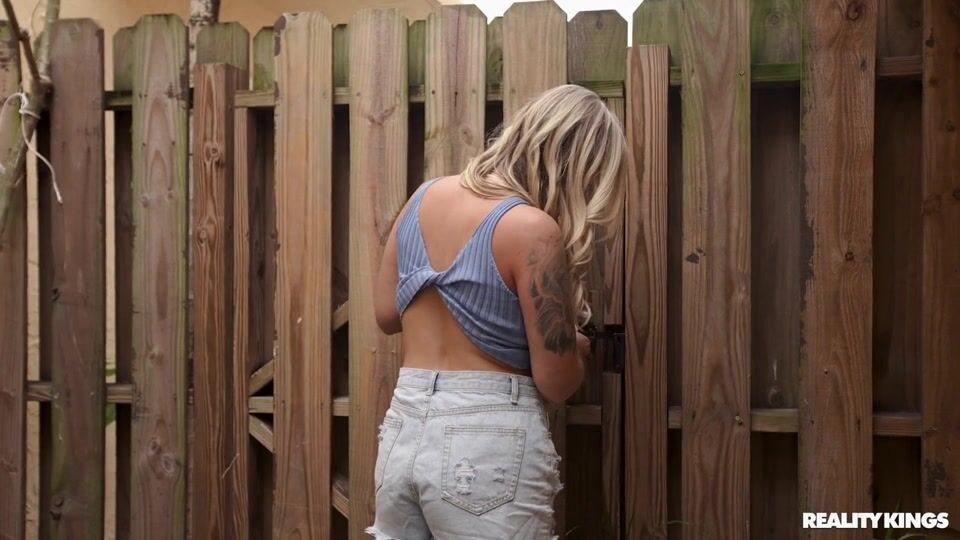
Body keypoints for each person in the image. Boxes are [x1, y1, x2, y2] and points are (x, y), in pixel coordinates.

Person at [367, 84, 626, 539]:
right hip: (486, 441)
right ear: (577, 166)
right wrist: (575, 348)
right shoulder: (531, 229)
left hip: (404, 426)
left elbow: (387, 313)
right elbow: (557, 382)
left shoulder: (423, 197)